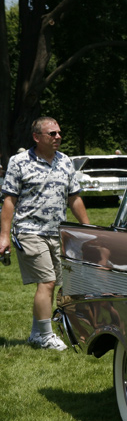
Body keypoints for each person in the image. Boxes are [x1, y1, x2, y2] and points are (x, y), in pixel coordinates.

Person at [0, 117, 89, 350]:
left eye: (59, 133)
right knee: (47, 281)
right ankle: (45, 336)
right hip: (29, 230)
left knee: (52, 283)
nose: (57, 137)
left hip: (56, 232)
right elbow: (9, 200)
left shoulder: (65, 161)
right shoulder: (19, 162)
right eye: (52, 133)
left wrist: (89, 230)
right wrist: (4, 236)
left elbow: (74, 198)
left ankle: (35, 333)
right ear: (36, 137)